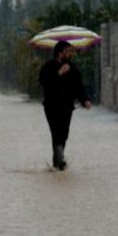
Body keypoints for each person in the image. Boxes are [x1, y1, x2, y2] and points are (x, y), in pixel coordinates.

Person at [38, 40, 92, 170]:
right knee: (56, 131)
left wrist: (85, 100)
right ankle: (60, 160)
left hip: (67, 107)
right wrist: (59, 73)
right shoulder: (48, 67)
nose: (71, 54)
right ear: (60, 52)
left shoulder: (73, 69)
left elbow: (79, 87)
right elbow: (45, 83)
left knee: (64, 133)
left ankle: (57, 162)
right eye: (68, 51)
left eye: (71, 51)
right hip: (51, 106)